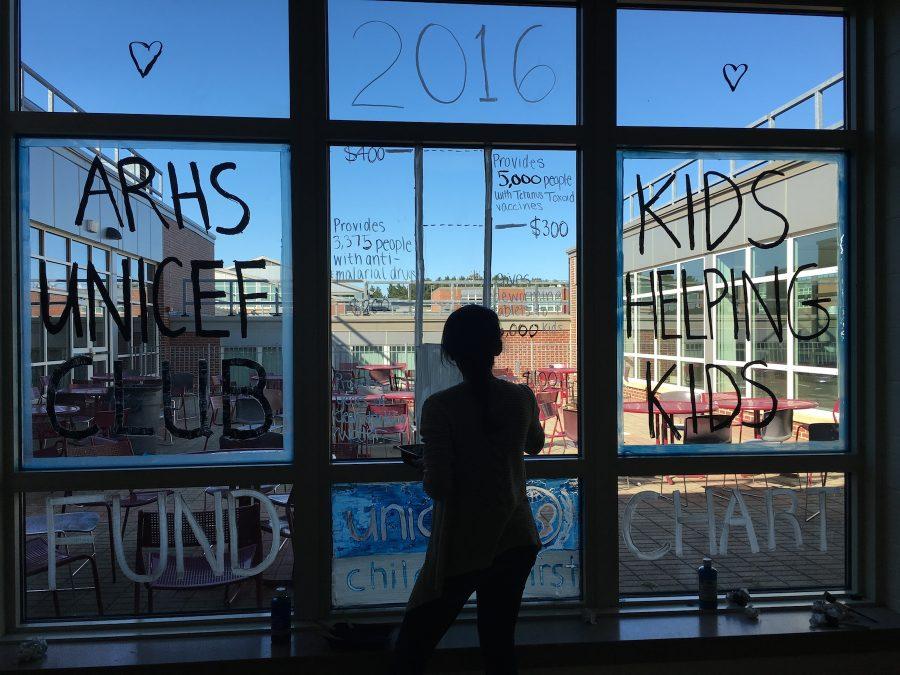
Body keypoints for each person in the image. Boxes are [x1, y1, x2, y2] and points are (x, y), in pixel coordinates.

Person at [393, 304, 544, 675]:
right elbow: (534, 445)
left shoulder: (439, 408)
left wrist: (426, 463)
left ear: (451, 353)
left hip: (464, 542)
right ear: (496, 347)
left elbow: (439, 486)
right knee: (498, 646)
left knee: (413, 645)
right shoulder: (521, 398)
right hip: (516, 536)